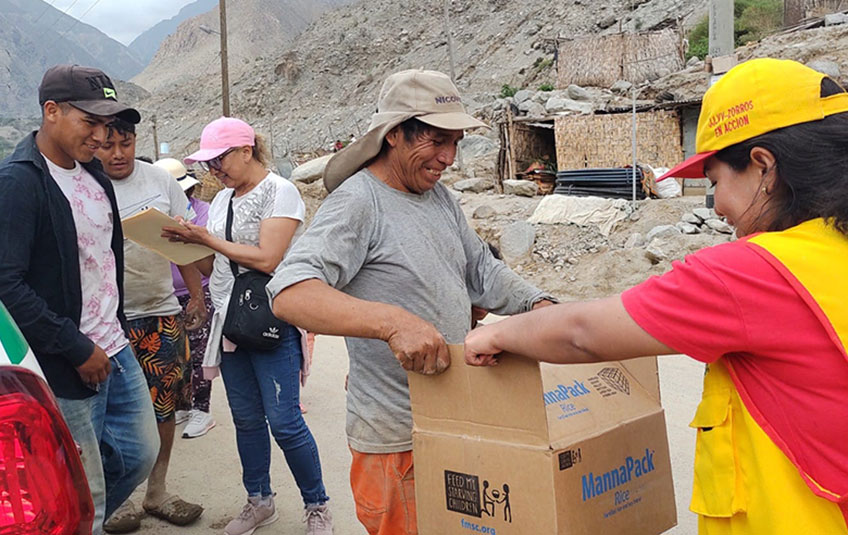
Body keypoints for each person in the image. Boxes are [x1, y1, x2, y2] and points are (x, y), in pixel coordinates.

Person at [464, 58, 848, 534]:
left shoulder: (755, 274)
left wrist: (497, 334)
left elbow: (584, 335)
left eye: (713, 184)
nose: (719, 207)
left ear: (763, 166)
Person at [267, 69, 555, 535]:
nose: (449, 157)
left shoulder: (438, 197)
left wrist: (540, 305)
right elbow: (289, 291)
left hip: (457, 416)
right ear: (395, 134)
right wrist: (392, 322)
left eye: (456, 142)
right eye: (438, 140)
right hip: (396, 439)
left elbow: (480, 269)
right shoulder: (360, 201)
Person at [0, 64, 158, 535]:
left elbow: (101, 261)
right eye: (89, 122)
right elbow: (7, 284)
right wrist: (74, 347)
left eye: (106, 123)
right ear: (51, 112)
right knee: (81, 482)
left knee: (139, 453)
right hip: (65, 361)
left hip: (115, 345)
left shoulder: (93, 173)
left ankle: (76, 519)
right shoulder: (19, 182)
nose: (101, 135)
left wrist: (116, 329)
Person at [161, 117, 333, 535]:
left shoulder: (281, 192)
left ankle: (318, 505)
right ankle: (259, 500)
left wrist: (207, 240)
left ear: (246, 150)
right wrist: (180, 244)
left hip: (268, 319)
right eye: (208, 163)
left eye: (220, 159)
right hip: (228, 321)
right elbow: (215, 264)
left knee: (286, 422)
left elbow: (268, 257)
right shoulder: (220, 201)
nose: (214, 169)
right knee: (247, 419)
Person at [96, 120, 206, 531]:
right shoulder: (86, 183)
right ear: (95, 144)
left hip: (160, 310)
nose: (118, 153)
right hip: (106, 320)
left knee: (164, 407)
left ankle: (157, 490)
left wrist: (194, 296)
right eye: (108, 145)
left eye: (125, 143)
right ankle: (117, 497)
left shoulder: (161, 181)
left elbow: (186, 244)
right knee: (110, 412)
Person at [155, 157, 218, 439]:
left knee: (200, 353)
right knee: (176, 355)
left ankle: (201, 410)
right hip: (166, 293)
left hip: (199, 289)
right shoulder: (153, 217)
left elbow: (202, 258)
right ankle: (183, 405)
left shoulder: (202, 213)